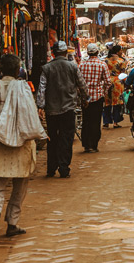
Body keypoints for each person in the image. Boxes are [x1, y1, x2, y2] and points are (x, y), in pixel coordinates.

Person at [0, 54, 41, 243]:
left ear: (1, 69)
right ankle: (12, 223)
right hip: (21, 143)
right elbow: (31, 115)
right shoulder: (23, 88)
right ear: (17, 71)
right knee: (20, 186)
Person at [37, 41, 88, 179]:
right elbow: (82, 84)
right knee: (66, 138)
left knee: (52, 138)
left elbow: (42, 88)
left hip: (51, 110)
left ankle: (51, 168)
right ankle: (64, 167)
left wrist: (40, 106)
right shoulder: (72, 66)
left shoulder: (47, 68)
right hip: (68, 108)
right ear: (66, 53)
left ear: (53, 53)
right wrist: (85, 98)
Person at [78, 43, 111, 153]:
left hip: (85, 98)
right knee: (95, 121)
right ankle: (93, 145)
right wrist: (104, 93)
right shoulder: (102, 65)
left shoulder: (82, 65)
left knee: (86, 120)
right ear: (97, 52)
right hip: (97, 97)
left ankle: (86, 145)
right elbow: (108, 82)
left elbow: (78, 82)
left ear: (87, 53)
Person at [103, 44, 127, 128]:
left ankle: (106, 122)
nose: (122, 52)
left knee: (107, 102)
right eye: (121, 50)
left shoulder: (106, 60)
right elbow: (123, 73)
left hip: (107, 82)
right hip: (117, 83)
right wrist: (126, 83)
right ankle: (115, 122)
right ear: (117, 51)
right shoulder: (121, 61)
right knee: (117, 102)